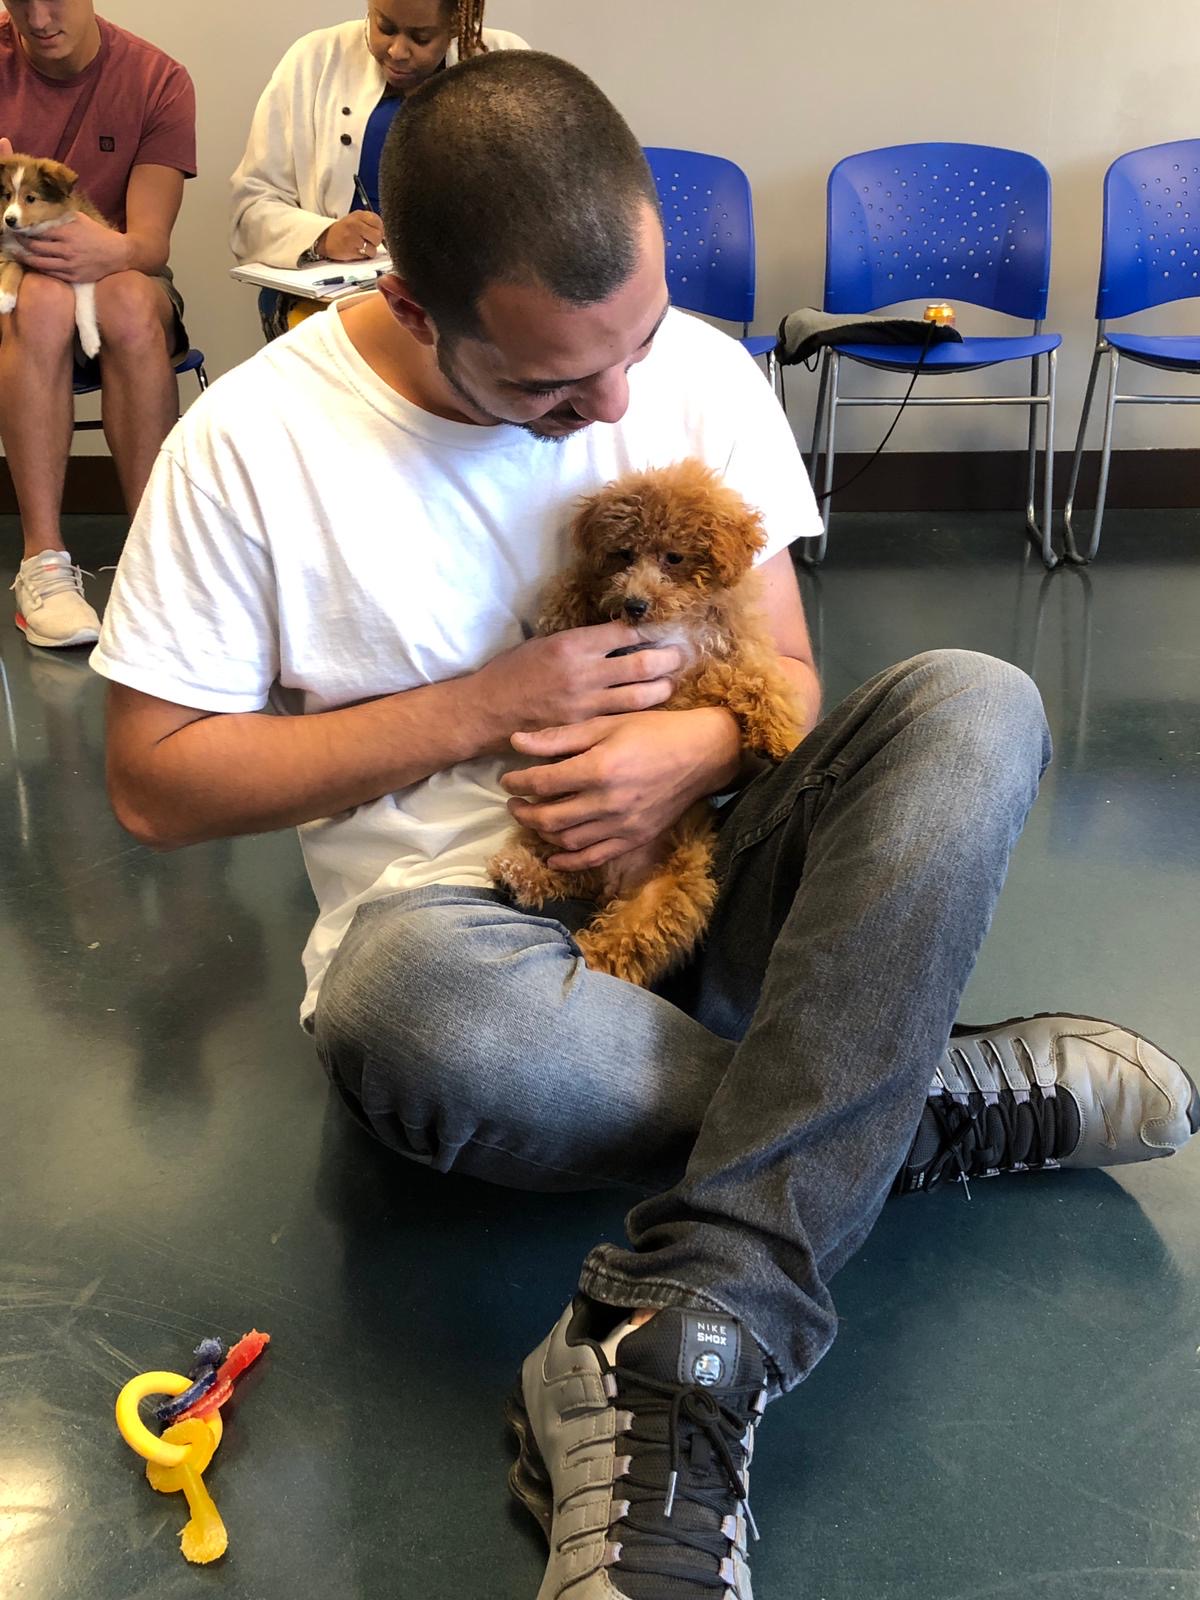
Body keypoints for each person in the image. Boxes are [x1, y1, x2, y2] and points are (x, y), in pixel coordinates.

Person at [95, 53, 1197, 1600]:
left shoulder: (687, 366)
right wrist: (491, 704)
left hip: (715, 874)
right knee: (401, 1016)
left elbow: (792, 686)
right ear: (416, 307)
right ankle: (893, 1098)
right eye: (555, 386)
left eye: (636, 347)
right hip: (465, 937)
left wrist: (686, 750)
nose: (620, 402)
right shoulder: (254, 445)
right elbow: (152, 779)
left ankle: (682, 1333)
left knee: (978, 701)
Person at [0, 0, 196, 649]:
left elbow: (149, 243)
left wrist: (103, 251)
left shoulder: (156, 79)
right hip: (13, 278)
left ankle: (152, 559)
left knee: (131, 305)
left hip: (118, 271)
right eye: (17, 0)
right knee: (43, 302)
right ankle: (44, 565)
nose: (37, 16)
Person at [230, 0, 527, 339]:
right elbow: (251, 208)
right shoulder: (313, 60)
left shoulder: (504, 63)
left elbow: (536, 210)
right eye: (384, 27)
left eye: (421, 37)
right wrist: (321, 238)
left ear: (456, 25)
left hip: (465, 305)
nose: (398, 51)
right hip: (329, 308)